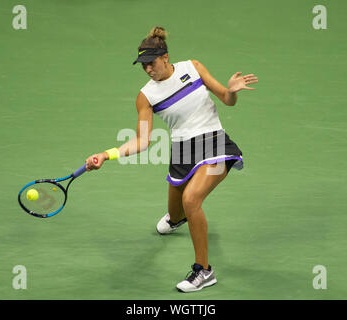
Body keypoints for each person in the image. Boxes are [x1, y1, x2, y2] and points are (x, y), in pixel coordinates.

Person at [85, 26, 258, 293]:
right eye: (143, 66)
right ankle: (178, 218)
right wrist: (107, 155)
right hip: (182, 153)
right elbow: (142, 141)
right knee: (177, 213)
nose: (148, 70)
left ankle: (204, 271)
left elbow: (226, 98)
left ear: (165, 57)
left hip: (214, 143)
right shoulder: (146, 96)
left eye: (151, 63)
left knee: (191, 199)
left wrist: (232, 90)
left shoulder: (193, 67)